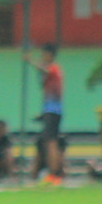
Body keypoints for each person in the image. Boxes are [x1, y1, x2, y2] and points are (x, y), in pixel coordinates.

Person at [24, 43, 65, 184]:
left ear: (50, 55)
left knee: (51, 142)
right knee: (50, 142)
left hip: (52, 111)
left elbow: (45, 70)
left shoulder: (53, 68)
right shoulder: (54, 70)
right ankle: (54, 173)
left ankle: (54, 174)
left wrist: (30, 61)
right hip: (52, 111)